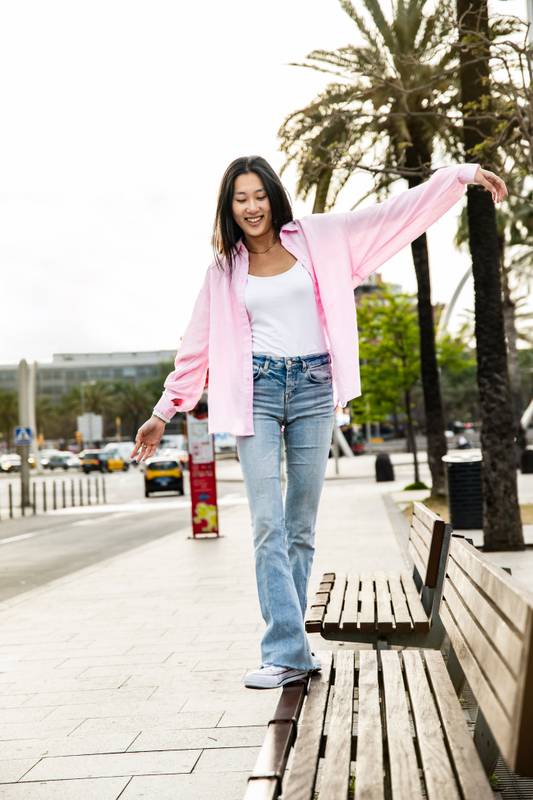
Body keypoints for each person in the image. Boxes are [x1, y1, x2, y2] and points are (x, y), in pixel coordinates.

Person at [131, 155, 507, 689]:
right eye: (240, 199)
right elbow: (196, 347)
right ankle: (285, 651)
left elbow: (391, 213)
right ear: (228, 207)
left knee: (301, 528)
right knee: (268, 524)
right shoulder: (222, 272)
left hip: (312, 389)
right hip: (254, 392)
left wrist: (459, 176)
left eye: (258, 195)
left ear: (273, 197)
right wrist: (162, 412)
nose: (251, 207)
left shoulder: (320, 239)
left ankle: (294, 650)